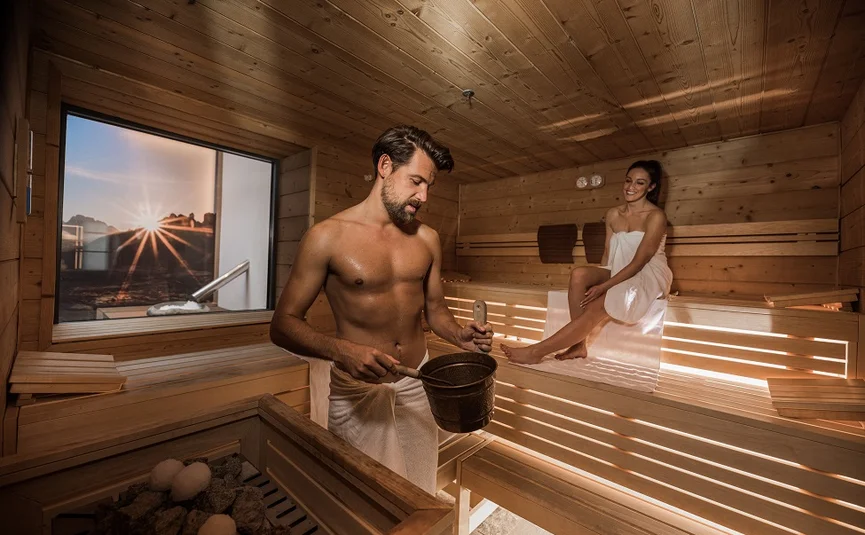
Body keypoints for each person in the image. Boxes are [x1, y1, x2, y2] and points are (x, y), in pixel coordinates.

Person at [269, 125, 494, 495]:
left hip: (418, 384)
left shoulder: (428, 239)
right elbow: (282, 325)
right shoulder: (327, 237)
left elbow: (435, 310)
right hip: (359, 390)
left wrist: (459, 335)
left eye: (428, 187)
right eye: (416, 181)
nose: (423, 196)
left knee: (419, 490)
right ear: (385, 166)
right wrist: (340, 350)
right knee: (360, 496)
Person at [501, 160, 673, 364]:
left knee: (600, 302)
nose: (630, 187)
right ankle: (579, 344)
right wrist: (598, 277)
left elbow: (640, 261)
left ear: (651, 187)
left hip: (647, 273)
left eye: (639, 183)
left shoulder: (656, 217)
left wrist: (604, 287)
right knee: (579, 274)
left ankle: (536, 352)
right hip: (619, 268)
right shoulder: (613, 214)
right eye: (628, 180)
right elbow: (608, 253)